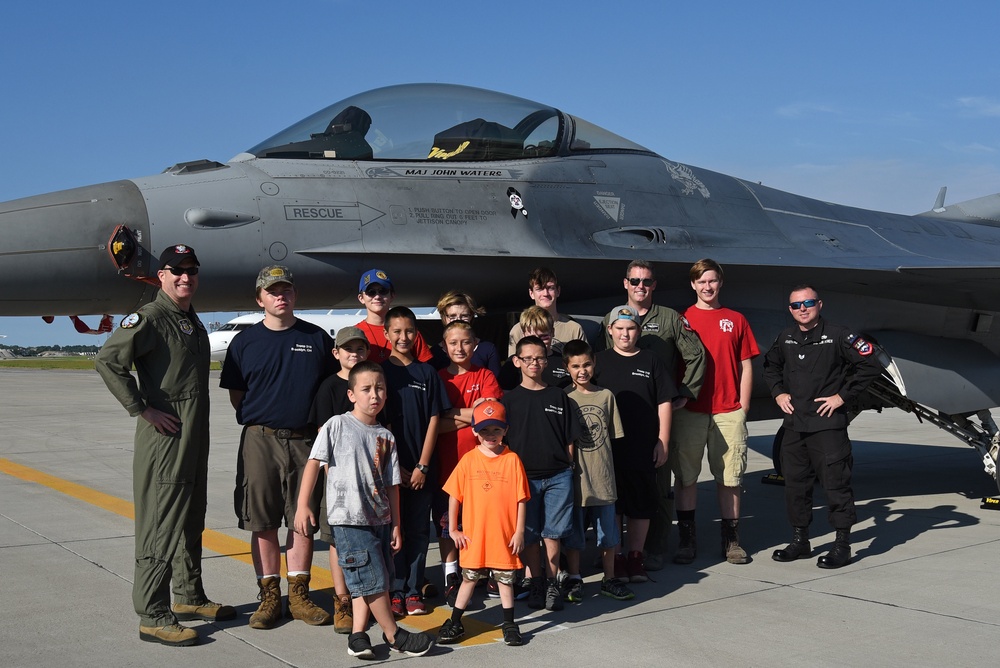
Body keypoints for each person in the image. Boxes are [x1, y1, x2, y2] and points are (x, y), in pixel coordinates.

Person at [96, 244, 234, 647]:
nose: (185, 277)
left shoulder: (189, 319)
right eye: (176, 270)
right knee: (161, 522)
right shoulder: (151, 318)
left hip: (193, 436)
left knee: (190, 515)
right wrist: (142, 409)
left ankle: (189, 595)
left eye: (191, 270)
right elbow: (108, 360)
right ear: (161, 276)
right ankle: (152, 613)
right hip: (166, 440)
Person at [220, 265, 337, 630]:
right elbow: (237, 394)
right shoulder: (245, 343)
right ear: (260, 299)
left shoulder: (316, 339)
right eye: (272, 291)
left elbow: (329, 389)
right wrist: (263, 418)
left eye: (286, 289)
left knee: (303, 520)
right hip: (261, 440)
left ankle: (298, 596)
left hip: (306, 442)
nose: (280, 296)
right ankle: (269, 597)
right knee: (263, 520)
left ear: (295, 295)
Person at [294, 361, 435, 659]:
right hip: (349, 519)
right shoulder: (337, 425)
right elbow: (314, 463)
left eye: (380, 389)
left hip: (379, 519)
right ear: (351, 394)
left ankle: (358, 635)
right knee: (371, 579)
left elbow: (392, 485)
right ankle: (394, 634)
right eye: (366, 389)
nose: (374, 395)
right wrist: (303, 504)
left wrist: (396, 524)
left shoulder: (386, 436)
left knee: (368, 579)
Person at [762, 285, 882, 569]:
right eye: (796, 305)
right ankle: (800, 541)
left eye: (808, 303)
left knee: (836, 486)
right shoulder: (786, 337)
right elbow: (770, 366)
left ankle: (842, 546)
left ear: (819, 304)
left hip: (827, 426)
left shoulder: (839, 336)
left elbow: (871, 364)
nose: (802, 309)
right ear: (790, 310)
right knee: (795, 487)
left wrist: (842, 397)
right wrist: (778, 392)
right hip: (795, 426)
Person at [602, 260, 706, 571]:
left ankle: (654, 548)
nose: (640, 286)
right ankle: (613, 552)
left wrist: (683, 393)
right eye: (635, 281)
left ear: (654, 285)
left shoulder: (670, 318)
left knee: (658, 486)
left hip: (656, 419)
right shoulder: (612, 318)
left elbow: (696, 354)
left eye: (646, 281)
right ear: (626, 283)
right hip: (618, 424)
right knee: (614, 492)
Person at [672, 259, 760, 565]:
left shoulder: (736, 320)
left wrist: (743, 406)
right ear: (693, 284)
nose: (707, 287)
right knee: (686, 478)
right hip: (691, 410)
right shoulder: (682, 320)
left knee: (730, 478)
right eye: (701, 282)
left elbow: (746, 365)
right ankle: (687, 540)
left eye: (712, 281)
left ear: (720, 283)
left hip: (728, 410)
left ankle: (731, 541)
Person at [437, 400, 529, 647]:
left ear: (505, 430)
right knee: (468, 579)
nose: (491, 435)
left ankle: (509, 623)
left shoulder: (512, 460)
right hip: (474, 537)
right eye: (485, 430)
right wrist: (453, 529)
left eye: (496, 429)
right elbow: (454, 495)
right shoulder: (468, 460)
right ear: (475, 431)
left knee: (505, 581)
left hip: (504, 536)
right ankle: (455, 621)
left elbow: (521, 499)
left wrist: (519, 531)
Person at [595, 306, 677, 583]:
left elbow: (664, 402)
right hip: (608, 449)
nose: (625, 334)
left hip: (643, 446)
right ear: (610, 330)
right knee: (614, 505)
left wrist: (663, 440)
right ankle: (616, 557)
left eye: (630, 328)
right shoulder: (598, 361)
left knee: (640, 504)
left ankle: (635, 557)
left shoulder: (651, 360)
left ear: (639, 331)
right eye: (619, 328)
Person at [380, 306, 451, 616]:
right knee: (394, 530)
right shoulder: (380, 373)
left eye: (409, 330)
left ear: (417, 334)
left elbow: (435, 418)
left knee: (420, 531)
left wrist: (422, 465)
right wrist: (396, 466)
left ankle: (412, 591)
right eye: (396, 331)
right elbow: (380, 424)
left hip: (422, 470)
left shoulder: (427, 373)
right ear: (386, 334)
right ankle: (395, 590)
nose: (403, 336)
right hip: (391, 468)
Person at [501, 335, 579, 611]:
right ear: (517, 361)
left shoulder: (558, 395)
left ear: (546, 362)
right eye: (528, 358)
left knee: (553, 533)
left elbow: (570, 437)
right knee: (531, 534)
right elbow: (501, 440)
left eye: (539, 358)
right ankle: (536, 582)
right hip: (524, 479)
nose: (534, 363)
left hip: (558, 476)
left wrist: (568, 464)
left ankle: (552, 582)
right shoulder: (509, 400)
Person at [307, 325, 371, 634]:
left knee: (368, 539)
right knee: (337, 541)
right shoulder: (329, 388)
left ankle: (365, 597)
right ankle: (342, 600)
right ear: (336, 353)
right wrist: (334, 480)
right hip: (339, 482)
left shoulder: (373, 383)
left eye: (360, 349)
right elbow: (324, 437)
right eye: (348, 349)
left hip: (368, 479)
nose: (354, 354)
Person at [433, 320, 503, 604]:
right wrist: (472, 413)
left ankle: (484, 570)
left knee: (482, 522)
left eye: (465, 342)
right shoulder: (439, 378)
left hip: (482, 468)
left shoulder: (485, 375)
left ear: (475, 344)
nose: (459, 348)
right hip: (447, 466)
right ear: (444, 346)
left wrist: (452, 413)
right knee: (447, 524)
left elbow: (491, 415)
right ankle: (451, 574)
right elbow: (436, 424)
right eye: (453, 343)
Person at [561, 340, 634, 602]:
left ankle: (609, 578)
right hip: (576, 480)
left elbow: (614, 437)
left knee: (609, 534)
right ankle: (574, 578)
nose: (582, 371)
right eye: (575, 366)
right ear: (567, 368)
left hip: (603, 478)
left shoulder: (606, 396)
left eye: (587, 364)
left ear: (594, 364)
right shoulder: (564, 398)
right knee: (575, 534)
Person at [355, 268, 433, 364]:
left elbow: (426, 367)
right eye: (371, 292)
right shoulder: (355, 334)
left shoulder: (409, 332)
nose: (377, 296)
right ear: (361, 298)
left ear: (392, 295)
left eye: (383, 291)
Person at [507, 267, 587, 356]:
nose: (545, 293)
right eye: (539, 289)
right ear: (531, 293)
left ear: (558, 291)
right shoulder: (518, 330)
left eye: (550, 288)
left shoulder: (574, 329)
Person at [429, 290, 501, 378]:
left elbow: (497, 382)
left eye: (464, 316)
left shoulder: (488, 349)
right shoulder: (434, 353)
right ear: (444, 318)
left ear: (472, 316)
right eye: (452, 316)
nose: (458, 320)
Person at [498, 306, 572, 391]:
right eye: (532, 338)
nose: (538, 342)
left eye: (544, 337)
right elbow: (504, 393)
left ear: (552, 332)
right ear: (523, 335)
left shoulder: (564, 361)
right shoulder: (513, 364)